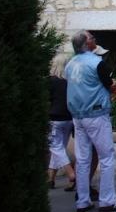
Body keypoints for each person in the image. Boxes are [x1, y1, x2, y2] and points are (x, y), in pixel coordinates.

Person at [65, 30, 116, 212]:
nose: (94, 40)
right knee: (107, 157)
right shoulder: (96, 63)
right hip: (96, 113)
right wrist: (114, 85)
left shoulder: (70, 65)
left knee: (83, 159)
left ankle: (83, 200)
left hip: (77, 115)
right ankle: (107, 200)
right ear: (87, 44)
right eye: (92, 38)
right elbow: (109, 85)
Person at [47, 53, 77, 191]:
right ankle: (50, 178)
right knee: (59, 149)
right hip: (69, 119)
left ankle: (71, 174)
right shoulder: (71, 82)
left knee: (55, 148)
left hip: (54, 118)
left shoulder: (51, 81)